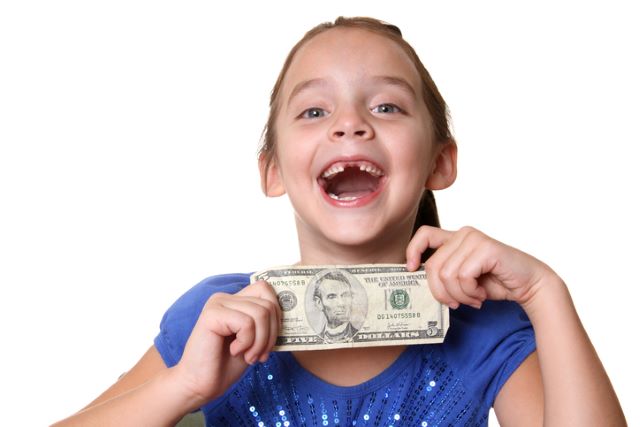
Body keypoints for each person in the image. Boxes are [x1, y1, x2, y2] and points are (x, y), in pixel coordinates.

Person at [52, 16, 626, 426]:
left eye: (386, 106)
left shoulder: (484, 326)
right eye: (314, 110)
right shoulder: (214, 321)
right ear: (273, 171)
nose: (349, 124)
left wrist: (545, 292)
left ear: (439, 161)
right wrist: (184, 387)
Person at [311, 270, 361, 342]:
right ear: (319, 303)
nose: (341, 303)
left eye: (345, 295)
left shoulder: (359, 336)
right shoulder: (316, 341)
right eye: (332, 297)